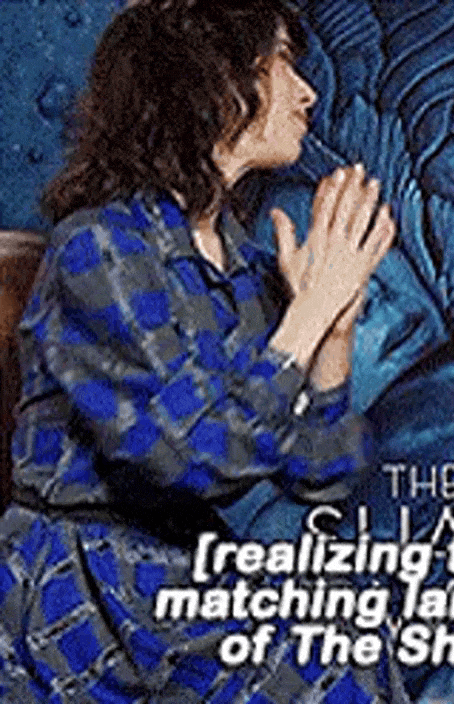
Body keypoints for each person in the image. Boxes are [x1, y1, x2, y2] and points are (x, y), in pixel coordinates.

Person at [0, 1, 403, 701]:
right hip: (86, 593)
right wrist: (306, 315)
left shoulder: (241, 270)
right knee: (329, 667)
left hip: (182, 575)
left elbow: (322, 475)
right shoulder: (99, 247)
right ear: (214, 81)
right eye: (283, 62)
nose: (307, 92)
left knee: (353, 637)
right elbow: (188, 455)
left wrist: (334, 328)